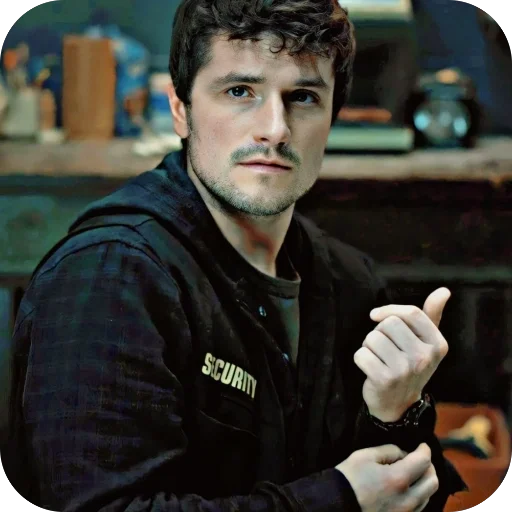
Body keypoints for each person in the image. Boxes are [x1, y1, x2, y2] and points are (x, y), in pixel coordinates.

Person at [5, 1, 468, 511]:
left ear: (332, 118)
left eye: (304, 97)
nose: (275, 129)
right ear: (180, 109)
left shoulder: (350, 281)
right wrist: (337, 500)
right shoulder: (108, 278)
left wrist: (393, 414)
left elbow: (414, 494)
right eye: (240, 91)